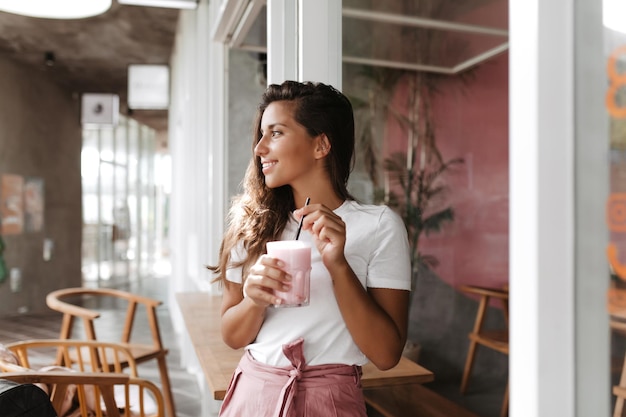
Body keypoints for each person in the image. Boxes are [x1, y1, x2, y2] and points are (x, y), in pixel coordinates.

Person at [209, 80, 411, 417]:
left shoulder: (378, 226)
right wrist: (254, 301)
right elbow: (231, 335)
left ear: (321, 145)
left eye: (275, 133)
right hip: (253, 395)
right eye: (261, 134)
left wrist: (339, 266)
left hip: (330, 403)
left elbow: (387, 354)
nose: (259, 148)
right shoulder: (251, 225)